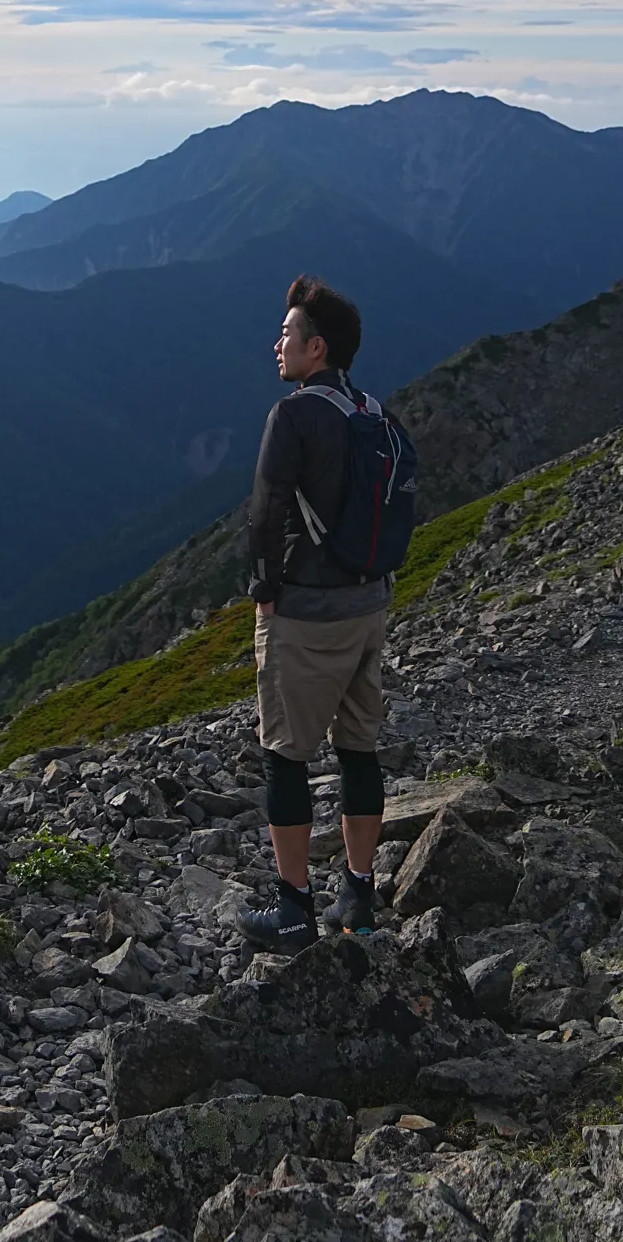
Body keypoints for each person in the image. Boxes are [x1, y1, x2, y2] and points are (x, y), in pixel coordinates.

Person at [237, 274, 390, 950]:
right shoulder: (373, 411)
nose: (278, 344)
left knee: (286, 756)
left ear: (316, 347)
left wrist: (264, 588)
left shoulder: (294, 415)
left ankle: (295, 908)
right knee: (358, 748)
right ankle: (358, 895)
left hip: (306, 613)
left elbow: (266, 510)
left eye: (288, 334)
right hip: (369, 605)